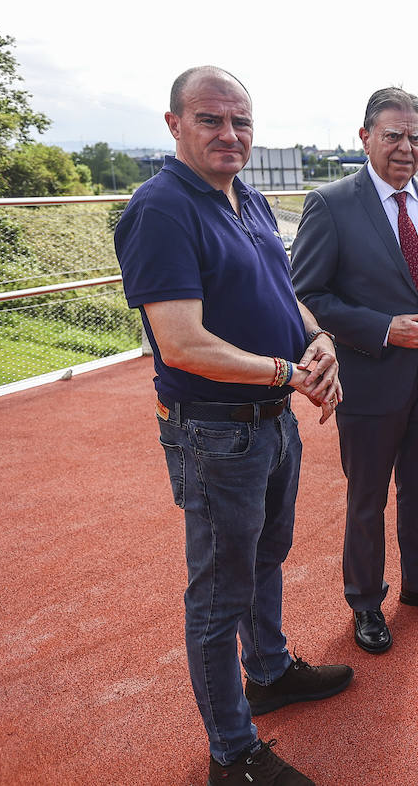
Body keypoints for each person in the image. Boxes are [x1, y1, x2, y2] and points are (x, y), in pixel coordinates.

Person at [114, 66, 352, 786]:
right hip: (215, 431)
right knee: (218, 595)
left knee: (264, 558)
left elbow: (285, 298)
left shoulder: (243, 196)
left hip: (270, 423)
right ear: (174, 124)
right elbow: (181, 342)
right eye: (212, 120)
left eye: (241, 122)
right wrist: (288, 374)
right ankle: (232, 752)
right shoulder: (161, 210)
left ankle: (271, 672)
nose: (230, 134)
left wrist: (320, 342)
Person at [290, 87, 418, 656]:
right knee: (367, 499)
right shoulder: (331, 204)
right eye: (393, 135)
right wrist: (380, 327)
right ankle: (366, 602)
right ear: (365, 137)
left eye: (415, 137)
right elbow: (305, 293)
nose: (405, 147)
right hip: (370, 379)